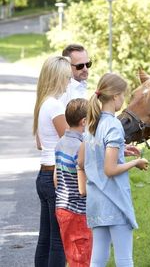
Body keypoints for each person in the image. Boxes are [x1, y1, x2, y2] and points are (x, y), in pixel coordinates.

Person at [77, 73, 149, 267]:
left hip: (96, 202)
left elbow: (85, 159)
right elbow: (110, 169)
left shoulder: (93, 123)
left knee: (98, 259)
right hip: (115, 202)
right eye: (123, 96)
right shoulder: (114, 125)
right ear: (116, 96)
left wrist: (121, 151)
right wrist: (136, 163)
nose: (123, 100)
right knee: (124, 259)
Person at [33, 55, 72, 266]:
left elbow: (40, 143)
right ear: (58, 77)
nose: (68, 82)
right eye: (66, 77)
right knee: (58, 241)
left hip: (44, 174)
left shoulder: (43, 104)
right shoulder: (55, 106)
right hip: (57, 176)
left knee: (46, 238)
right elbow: (70, 141)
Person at [54, 98, 92, 267]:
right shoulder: (80, 147)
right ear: (84, 122)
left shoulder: (61, 143)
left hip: (62, 208)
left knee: (72, 256)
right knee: (82, 259)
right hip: (78, 212)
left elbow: (56, 178)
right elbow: (83, 189)